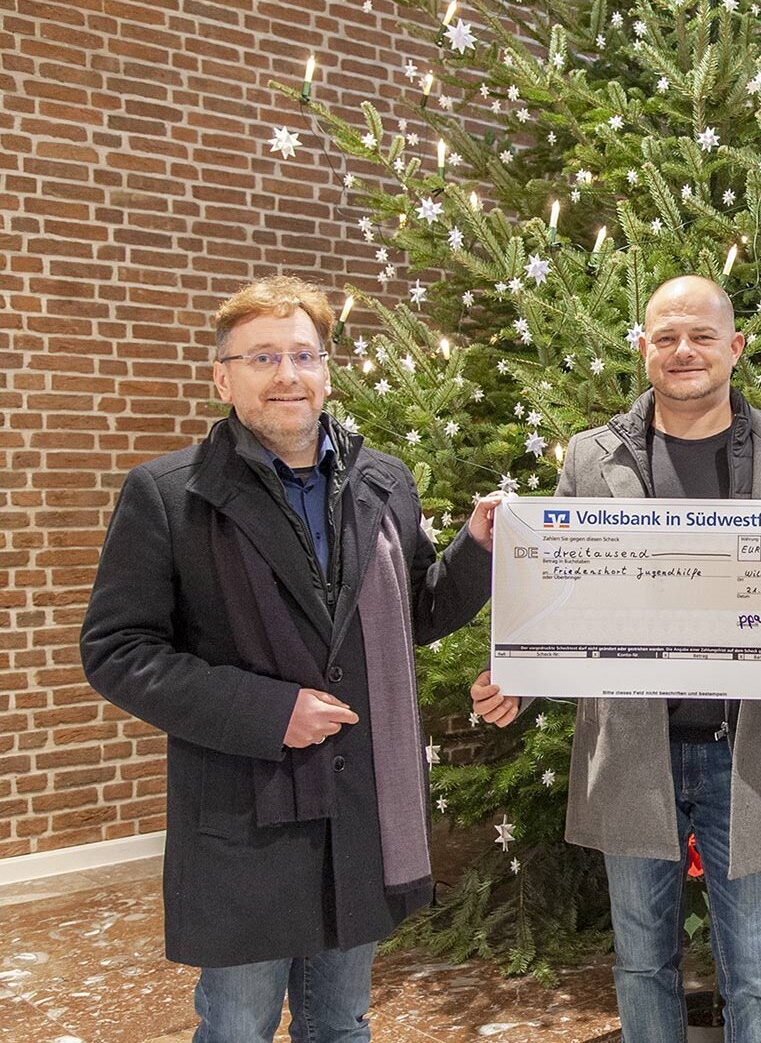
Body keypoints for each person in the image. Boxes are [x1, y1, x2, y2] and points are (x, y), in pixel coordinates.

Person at [79, 275, 500, 1043]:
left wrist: (475, 548)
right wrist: (271, 711)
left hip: (358, 810)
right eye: (262, 356)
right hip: (247, 810)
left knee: (340, 1022)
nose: (287, 374)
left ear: (327, 372)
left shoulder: (384, 481)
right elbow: (118, 650)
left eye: (303, 355)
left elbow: (417, 613)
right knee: (238, 1026)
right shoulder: (169, 495)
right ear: (222, 377)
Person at [469, 275, 761, 1043]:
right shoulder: (591, 458)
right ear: (642, 348)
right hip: (631, 749)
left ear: (735, 347)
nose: (684, 350)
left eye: (702, 335)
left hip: (749, 752)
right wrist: (518, 677)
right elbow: (561, 594)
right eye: (666, 336)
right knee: (642, 964)